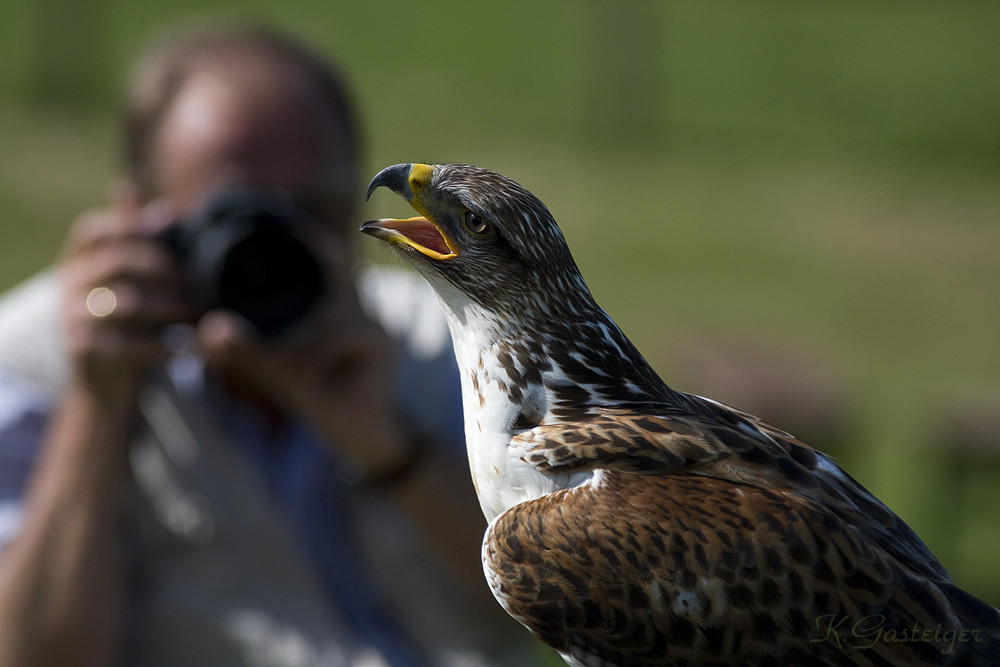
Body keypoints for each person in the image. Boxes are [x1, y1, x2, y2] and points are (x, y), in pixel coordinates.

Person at [0, 20, 534, 667]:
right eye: (237, 215)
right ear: (139, 216)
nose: (281, 248)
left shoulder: (450, 343)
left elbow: (557, 617)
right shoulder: (37, 357)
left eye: (313, 210)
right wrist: (97, 406)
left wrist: (389, 447)